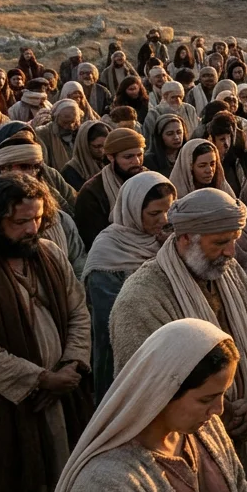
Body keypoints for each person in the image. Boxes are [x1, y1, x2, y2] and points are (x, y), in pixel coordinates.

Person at [108, 188, 247, 492]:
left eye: (234, 241)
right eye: (220, 243)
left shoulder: (231, 274)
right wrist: (220, 416)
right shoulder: (141, 298)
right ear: (185, 238)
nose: (231, 252)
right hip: (184, 454)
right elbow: (147, 391)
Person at [46, 319, 247, 492]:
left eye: (222, 394)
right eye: (206, 399)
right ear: (165, 391)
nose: (218, 410)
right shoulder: (106, 487)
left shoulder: (207, 432)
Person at [0, 174, 93, 492]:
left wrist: (71, 365)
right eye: (20, 222)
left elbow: (78, 312)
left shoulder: (50, 254)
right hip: (5, 404)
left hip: (62, 398)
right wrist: (40, 379)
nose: (32, 229)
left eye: (36, 218)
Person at [81, 171, 174, 399]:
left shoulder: (165, 241)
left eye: (168, 211)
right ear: (132, 209)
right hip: (123, 357)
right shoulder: (108, 251)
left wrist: (169, 252)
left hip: (167, 354)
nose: (163, 220)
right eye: (154, 213)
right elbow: (111, 318)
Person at [74, 127, 147, 249]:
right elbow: (94, 240)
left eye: (139, 155)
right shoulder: (92, 192)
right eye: (128, 157)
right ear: (111, 157)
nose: (136, 161)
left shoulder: (151, 181)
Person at [169, 137, 234, 198]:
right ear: (190, 167)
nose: (209, 170)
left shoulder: (224, 193)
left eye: (212, 164)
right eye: (202, 166)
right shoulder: (174, 198)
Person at [61, 119, 108, 191]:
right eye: (97, 146)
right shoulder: (70, 171)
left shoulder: (108, 162)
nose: (102, 150)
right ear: (85, 145)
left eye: (104, 146)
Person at [38, 100, 82, 174]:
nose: (69, 126)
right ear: (55, 118)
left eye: (73, 122)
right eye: (65, 122)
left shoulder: (81, 132)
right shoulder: (43, 134)